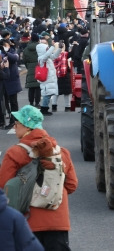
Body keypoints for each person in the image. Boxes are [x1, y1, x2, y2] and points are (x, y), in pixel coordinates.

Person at [0, 105, 78, 250]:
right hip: (57, 221)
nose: (14, 126)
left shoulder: (14, 153)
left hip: (27, 222)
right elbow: (72, 185)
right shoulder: (60, 152)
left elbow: (4, 185)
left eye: (17, 123)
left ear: (27, 127)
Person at [36, 36, 62, 116]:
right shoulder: (42, 58)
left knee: (48, 93)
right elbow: (47, 54)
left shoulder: (46, 57)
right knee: (46, 94)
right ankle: (44, 109)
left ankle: (45, 108)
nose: (48, 49)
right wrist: (52, 45)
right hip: (46, 78)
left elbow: (54, 56)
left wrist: (59, 48)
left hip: (49, 78)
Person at [1, 38, 22, 129]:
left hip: (12, 80)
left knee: (13, 101)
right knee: (4, 102)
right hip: (3, 80)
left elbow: (15, 59)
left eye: (7, 45)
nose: (6, 47)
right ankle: (3, 120)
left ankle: (14, 120)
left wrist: (6, 52)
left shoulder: (13, 52)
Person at [52, 41, 73, 112]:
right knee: (66, 92)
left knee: (56, 92)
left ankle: (54, 105)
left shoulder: (53, 55)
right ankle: (67, 106)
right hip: (65, 75)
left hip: (55, 75)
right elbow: (70, 64)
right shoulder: (66, 54)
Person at [22, 33, 41, 109]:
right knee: (38, 86)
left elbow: (24, 60)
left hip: (30, 67)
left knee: (31, 87)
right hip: (39, 67)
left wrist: (28, 67)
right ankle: (37, 103)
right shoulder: (39, 48)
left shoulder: (26, 49)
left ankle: (31, 102)